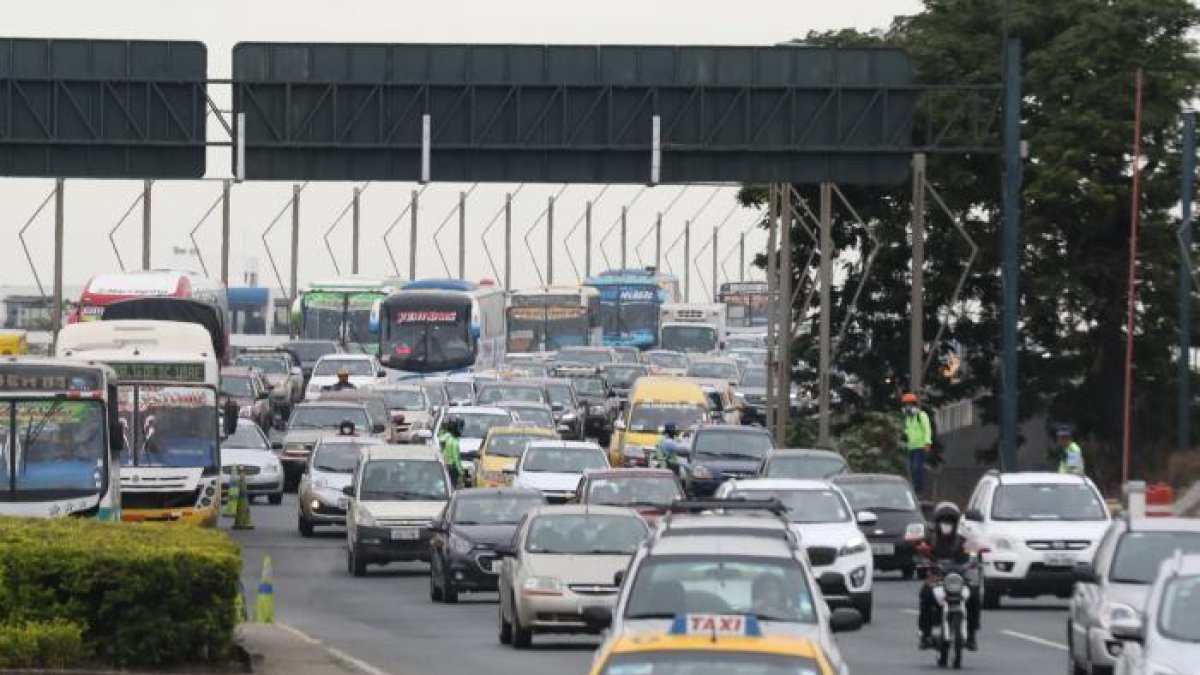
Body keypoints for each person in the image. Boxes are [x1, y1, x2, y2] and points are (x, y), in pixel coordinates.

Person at [916, 502, 980, 651]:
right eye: (944, 521)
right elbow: (921, 553)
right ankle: (925, 634)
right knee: (925, 594)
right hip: (937, 577)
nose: (947, 524)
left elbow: (973, 551)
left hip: (959, 577)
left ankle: (971, 635)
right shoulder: (930, 538)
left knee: (975, 595)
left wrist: (976, 556)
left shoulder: (963, 538)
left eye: (950, 521)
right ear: (937, 522)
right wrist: (923, 560)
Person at [902, 392, 933, 495]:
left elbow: (927, 429)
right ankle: (916, 488)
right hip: (911, 447)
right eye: (906, 405)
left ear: (914, 405)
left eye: (909, 404)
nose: (907, 407)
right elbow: (908, 431)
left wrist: (927, 443)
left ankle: (919, 490)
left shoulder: (921, 416)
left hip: (920, 446)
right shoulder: (908, 419)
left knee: (916, 468)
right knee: (912, 469)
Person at [439, 417, 464, 487]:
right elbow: (456, 458)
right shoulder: (453, 442)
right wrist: (461, 472)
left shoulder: (443, 438)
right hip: (452, 468)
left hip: (443, 466)